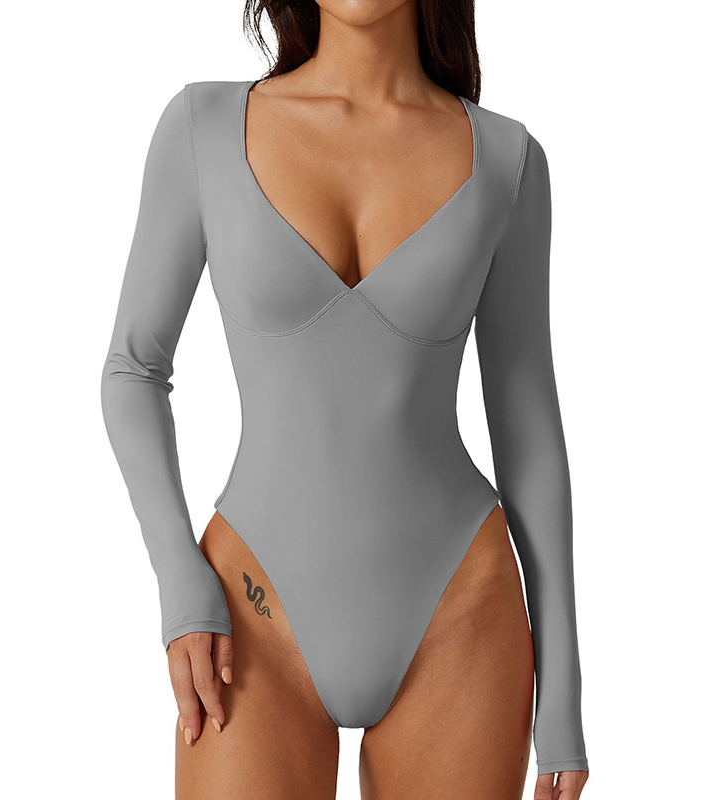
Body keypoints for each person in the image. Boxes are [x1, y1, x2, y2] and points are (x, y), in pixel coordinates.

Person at [101, 1, 590, 797]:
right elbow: (133, 369)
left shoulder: (508, 161)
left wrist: (562, 686)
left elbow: (527, 426)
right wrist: (178, 579)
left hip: (460, 615)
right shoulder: (203, 128)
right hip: (250, 611)